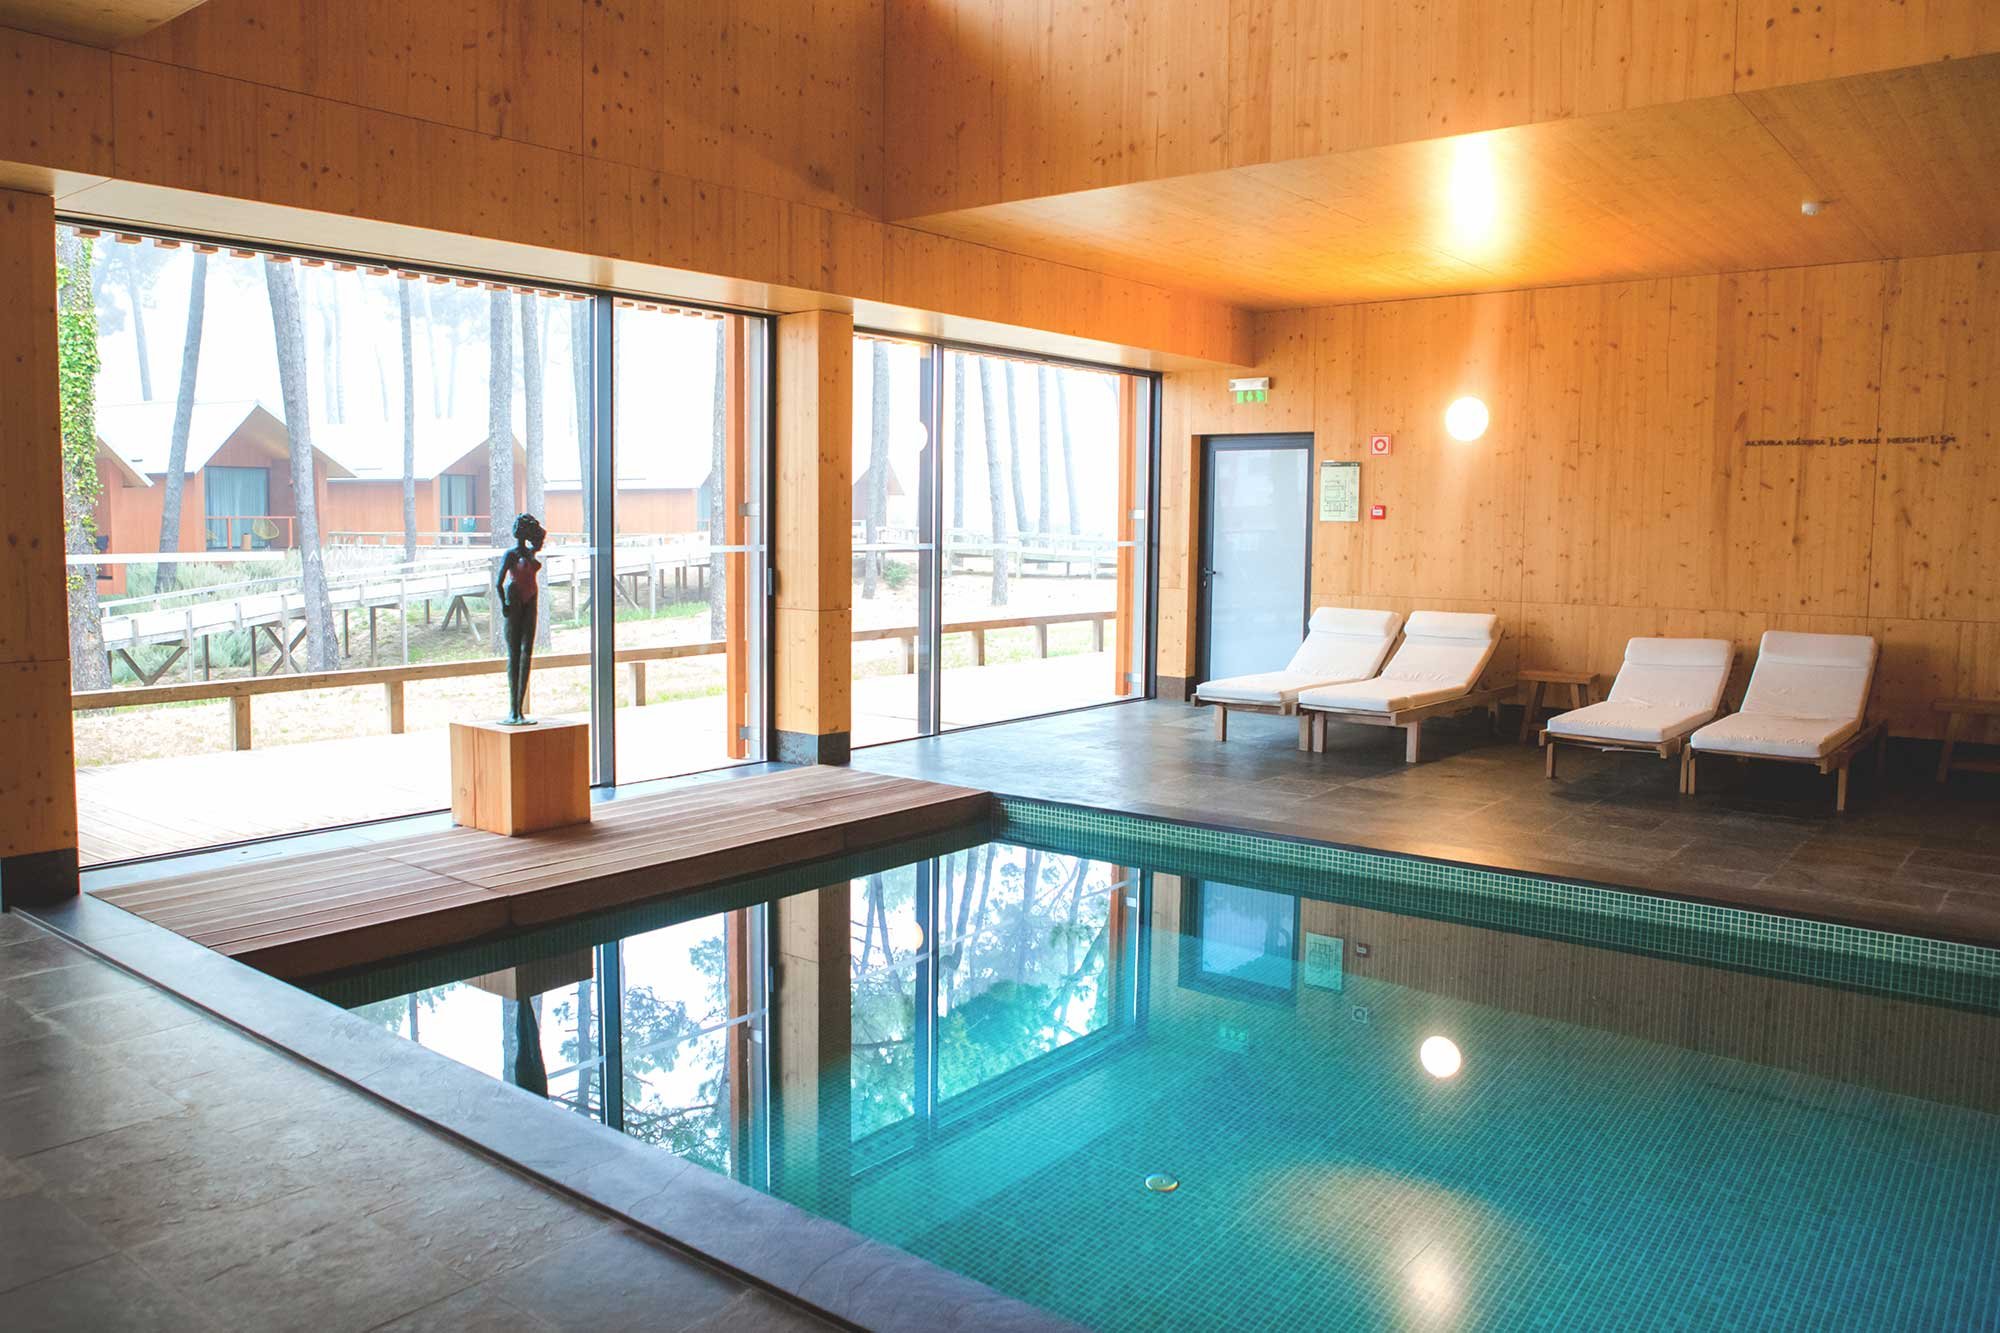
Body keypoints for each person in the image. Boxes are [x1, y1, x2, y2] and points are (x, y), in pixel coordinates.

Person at [495, 513, 546, 724]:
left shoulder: (532, 553)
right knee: (514, 653)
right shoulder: (511, 555)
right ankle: (513, 710)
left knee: (527, 652)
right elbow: (499, 582)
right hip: (514, 599)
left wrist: (537, 534)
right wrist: (504, 605)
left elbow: (541, 538)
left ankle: (519, 710)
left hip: (531, 600)